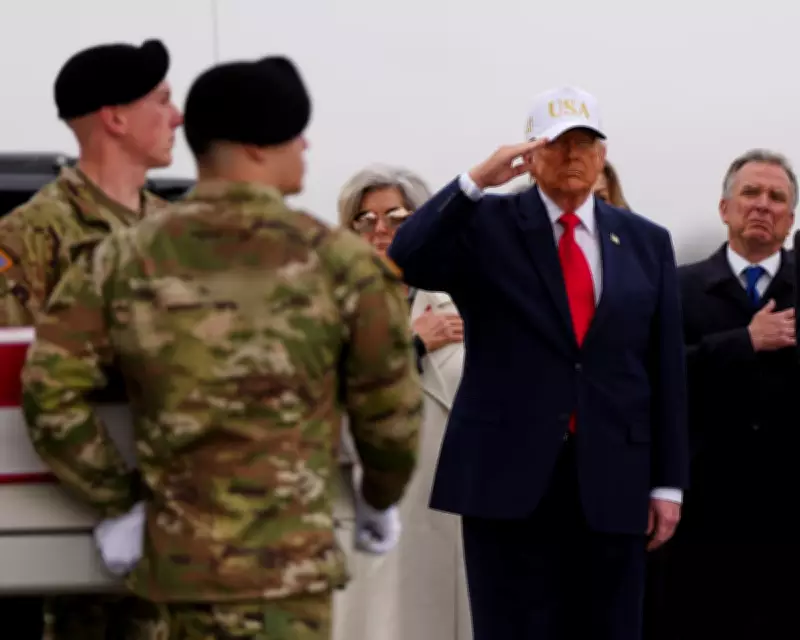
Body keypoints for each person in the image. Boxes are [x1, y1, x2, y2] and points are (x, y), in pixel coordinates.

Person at [20, 55, 423, 640]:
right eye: (294, 133)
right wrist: (379, 496)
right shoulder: (340, 263)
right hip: (289, 577)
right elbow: (389, 411)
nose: (306, 146)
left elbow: (50, 394)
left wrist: (120, 500)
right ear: (257, 147)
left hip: (174, 570)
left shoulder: (122, 260)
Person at [387, 85, 689, 640]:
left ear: (603, 154)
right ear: (529, 153)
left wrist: (668, 484)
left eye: (585, 143)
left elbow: (664, 366)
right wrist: (476, 180)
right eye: (557, 143)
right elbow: (406, 257)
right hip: (508, 478)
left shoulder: (646, 241)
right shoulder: (487, 223)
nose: (573, 155)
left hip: (613, 478)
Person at [0, 39, 182, 639]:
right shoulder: (28, 237)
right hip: (83, 538)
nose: (177, 116)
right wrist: (123, 501)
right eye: (162, 100)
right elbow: (20, 389)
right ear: (116, 118)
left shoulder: (180, 231)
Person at [654, 149, 799, 639]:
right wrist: (743, 342)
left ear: (790, 219)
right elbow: (657, 374)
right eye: (750, 193)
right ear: (724, 208)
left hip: (788, 510)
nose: (762, 205)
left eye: (776, 197)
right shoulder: (678, 287)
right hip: (702, 505)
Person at [333, 164, 470, 640]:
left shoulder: (461, 298)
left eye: (396, 217)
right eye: (365, 219)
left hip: (449, 505)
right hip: (369, 498)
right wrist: (411, 345)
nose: (380, 230)